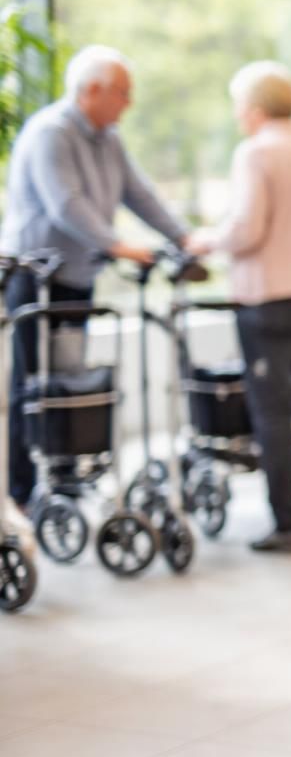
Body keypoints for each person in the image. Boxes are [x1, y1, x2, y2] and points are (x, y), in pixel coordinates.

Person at [1, 45, 191, 508]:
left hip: (78, 276)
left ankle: (62, 476)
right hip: (35, 277)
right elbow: (66, 205)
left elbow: (139, 193)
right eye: (123, 93)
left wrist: (181, 238)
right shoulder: (52, 132)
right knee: (32, 383)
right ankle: (23, 491)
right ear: (91, 91)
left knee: (68, 376)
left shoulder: (108, 138)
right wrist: (120, 245)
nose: (129, 103)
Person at [187, 61, 291, 554]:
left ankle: (287, 525)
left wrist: (206, 241)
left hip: (272, 299)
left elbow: (246, 229)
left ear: (255, 110)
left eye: (240, 107)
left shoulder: (256, 153)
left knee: (273, 412)